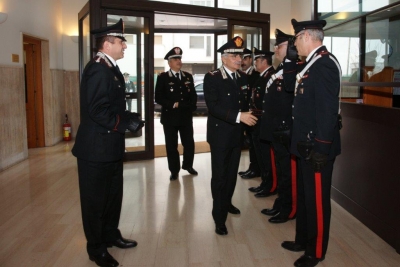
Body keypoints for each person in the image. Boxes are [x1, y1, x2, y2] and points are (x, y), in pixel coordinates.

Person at [72, 19, 144, 267]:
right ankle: (96, 248)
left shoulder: (109, 68)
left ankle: (111, 235)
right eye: (121, 41)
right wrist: (123, 124)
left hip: (109, 146)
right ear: (107, 43)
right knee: (95, 202)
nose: (125, 45)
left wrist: (130, 118)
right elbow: (97, 111)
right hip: (95, 149)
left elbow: (111, 106)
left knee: (113, 197)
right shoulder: (97, 69)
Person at [281, 19, 341, 267]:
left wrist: (322, 147)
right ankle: (303, 240)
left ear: (306, 36)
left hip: (316, 147)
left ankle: (315, 251)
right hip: (305, 144)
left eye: (296, 39)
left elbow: (327, 112)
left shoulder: (324, 64)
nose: (294, 44)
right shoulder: (312, 63)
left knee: (316, 200)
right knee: (306, 196)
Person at [203, 36, 258, 235]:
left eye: (241, 55)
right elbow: (213, 107)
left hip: (236, 134)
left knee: (232, 174)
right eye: (235, 55)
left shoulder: (242, 77)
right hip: (220, 135)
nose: (239, 59)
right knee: (219, 176)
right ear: (224, 58)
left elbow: (244, 105)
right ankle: (218, 216)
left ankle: (226, 203)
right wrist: (239, 116)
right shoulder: (213, 77)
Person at [259, 29, 299, 223]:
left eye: (279, 45)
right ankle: (281, 204)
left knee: (288, 173)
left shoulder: (294, 69)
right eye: (275, 45)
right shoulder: (281, 69)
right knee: (281, 170)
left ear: (290, 47)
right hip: (276, 130)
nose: (275, 49)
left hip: (286, 130)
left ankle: (289, 209)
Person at [155, 47, 198, 181]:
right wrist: (173, 104)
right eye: (175, 59)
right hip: (170, 118)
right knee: (171, 146)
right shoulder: (163, 77)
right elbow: (159, 97)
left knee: (189, 143)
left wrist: (192, 107)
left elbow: (193, 95)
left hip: (185, 117)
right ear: (169, 63)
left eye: (179, 58)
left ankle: (188, 165)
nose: (178, 61)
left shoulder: (188, 76)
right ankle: (174, 170)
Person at [247, 48, 278, 198]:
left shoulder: (271, 76)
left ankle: (270, 185)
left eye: (257, 61)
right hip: (257, 121)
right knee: (260, 155)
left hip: (265, 122)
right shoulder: (261, 76)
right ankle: (265, 182)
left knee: (267, 156)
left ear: (264, 61)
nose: (255, 63)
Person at [238, 48, 261, 179]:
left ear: (251, 60)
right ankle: (252, 167)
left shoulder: (255, 74)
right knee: (250, 143)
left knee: (254, 144)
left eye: (245, 59)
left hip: (252, 114)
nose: (242, 62)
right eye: (241, 59)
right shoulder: (240, 75)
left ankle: (255, 168)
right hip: (244, 115)